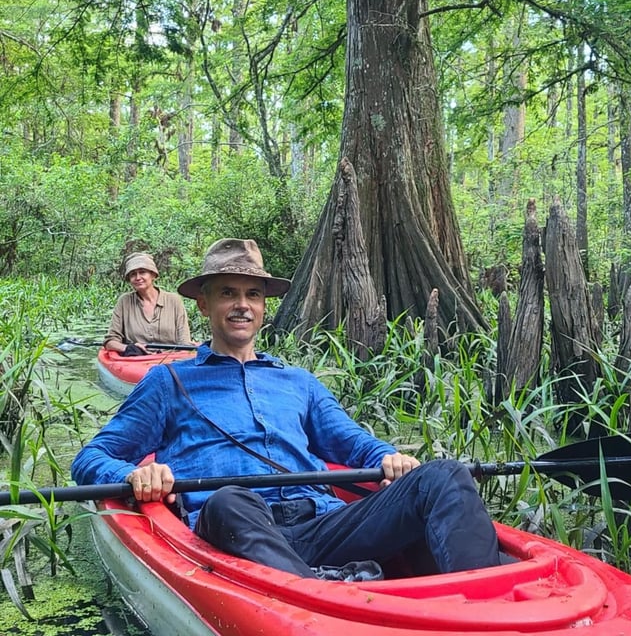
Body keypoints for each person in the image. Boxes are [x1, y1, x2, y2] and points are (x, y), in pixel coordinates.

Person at [73, 238, 499, 578]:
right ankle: (320, 596)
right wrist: (133, 474)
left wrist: (388, 456)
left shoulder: (299, 382)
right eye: (228, 293)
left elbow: (352, 442)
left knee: (444, 475)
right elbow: (90, 459)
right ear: (204, 304)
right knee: (228, 500)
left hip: (322, 525)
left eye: (253, 295)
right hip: (231, 529)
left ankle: (485, 608)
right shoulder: (168, 382)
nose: (242, 304)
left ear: (263, 307)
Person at [103, 252, 192, 355]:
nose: (137, 278)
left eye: (142, 272)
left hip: (169, 360)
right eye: (133, 274)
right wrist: (129, 348)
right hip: (136, 360)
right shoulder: (124, 302)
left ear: (153, 275)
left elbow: (185, 342)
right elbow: (110, 342)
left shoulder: (174, 300)